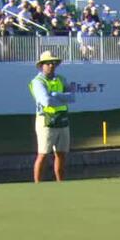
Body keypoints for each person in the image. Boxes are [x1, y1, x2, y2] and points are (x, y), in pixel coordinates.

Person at [29, 49, 75, 183]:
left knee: (61, 154)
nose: (51, 65)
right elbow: (45, 101)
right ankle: (37, 184)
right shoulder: (38, 81)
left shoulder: (61, 79)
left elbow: (72, 97)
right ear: (41, 65)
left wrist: (55, 95)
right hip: (46, 121)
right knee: (43, 154)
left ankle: (60, 183)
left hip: (62, 119)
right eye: (48, 63)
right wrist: (62, 98)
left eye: (53, 63)